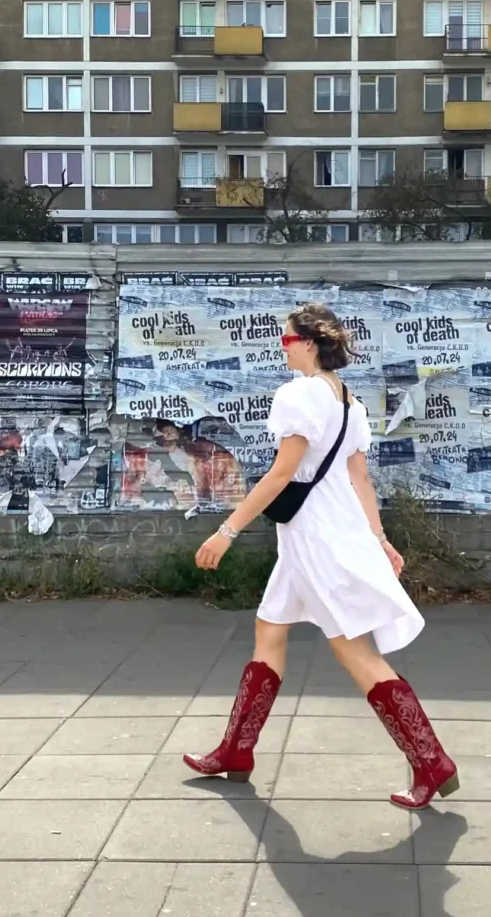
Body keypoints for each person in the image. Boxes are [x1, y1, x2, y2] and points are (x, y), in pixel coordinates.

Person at [185, 304, 458, 810]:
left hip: (317, 544)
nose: (282, 348)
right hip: (317, 539)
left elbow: (280, 473)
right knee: (269, 630)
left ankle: (430, 761)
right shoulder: (349, 403)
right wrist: (378, 539)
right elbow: (358, 477)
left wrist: (227, 530)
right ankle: (236, 750)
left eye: (287, 341)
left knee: (357, 654)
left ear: (309, 343)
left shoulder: (297, 395)